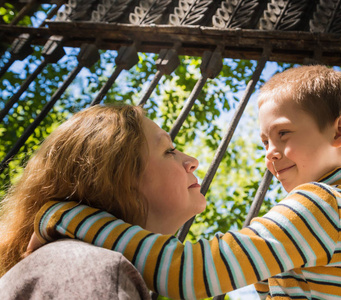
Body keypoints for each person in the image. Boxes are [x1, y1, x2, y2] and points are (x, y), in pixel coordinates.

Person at [29, 65, 341, 299]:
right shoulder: (338, 209)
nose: (271, 153)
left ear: (340, 132)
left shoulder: (322, 205)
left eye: (283, 134)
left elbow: (190, 270)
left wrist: (65, 217)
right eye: (265, 142)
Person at [0, 104, 206, 298]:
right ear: (117, 178)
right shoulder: (87, 266)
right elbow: (191, 267)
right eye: (168, 151)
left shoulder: (65, 262)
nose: (192, 162)